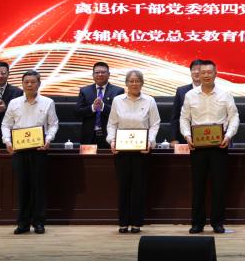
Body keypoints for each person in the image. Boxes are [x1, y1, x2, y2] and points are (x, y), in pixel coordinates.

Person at [180, 60, 239, 234]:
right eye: (203, 72)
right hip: (197, 146)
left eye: (209, 72)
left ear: (215, 74)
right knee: (198, 186)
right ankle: (197, 223)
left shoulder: (225, 95)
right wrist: (187, 136)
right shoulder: (190, 95)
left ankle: (217, 223)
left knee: (219, 186)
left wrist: (228, 135)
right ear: (198, 74)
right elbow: (184, 118)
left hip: (219, 146)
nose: (206, 75)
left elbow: (234, 117)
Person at [1, 70, 59, 234]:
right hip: (19, 150)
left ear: (39, 84)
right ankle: (23, 223)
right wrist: (7, 141)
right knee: (22, 187)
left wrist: (48, 139)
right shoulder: (14, 103)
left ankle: (39, 222)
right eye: (26, 82)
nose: (29, 85)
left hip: (39, 150)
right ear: (22, 84)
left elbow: (53, 124)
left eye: (33, 82)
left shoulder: (48, 102)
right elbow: (6, 124)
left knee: (38, 187)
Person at [107, 69, 161, 233]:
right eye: (131, 81)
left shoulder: (150, 101)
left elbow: (155, 124)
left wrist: (150, 142)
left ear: (142, 83)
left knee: (138, 187)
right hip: (122, 151)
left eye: (137, 80)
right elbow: (112, 124)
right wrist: (112, 141)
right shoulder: (117, 100)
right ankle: (123, 222)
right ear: (126, 84)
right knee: (123, 187)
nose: (134, 83)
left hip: (141, 151)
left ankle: (137, 222)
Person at [75, 61, 124, 148]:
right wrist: (93, 108)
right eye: (97, 72)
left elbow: (120, 113)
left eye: (103, 72)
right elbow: (78, 113)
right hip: (89, 136)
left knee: (108, 157)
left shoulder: (118, 91)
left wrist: (103, 107)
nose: (100, 74)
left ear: (109, 74)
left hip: (110, 136)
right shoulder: (84, 91)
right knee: (87, 157)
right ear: (93, 75)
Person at [169, 59, 203, 144]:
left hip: (205, 135)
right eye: (194, 69)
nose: (196, 72)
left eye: (199, 69)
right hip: (185, 137)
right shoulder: (181, 91)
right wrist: (173, 138)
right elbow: (175, 117)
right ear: (190, 72)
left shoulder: (210, 90)